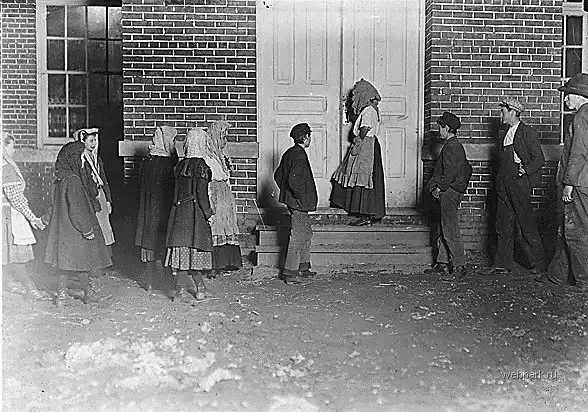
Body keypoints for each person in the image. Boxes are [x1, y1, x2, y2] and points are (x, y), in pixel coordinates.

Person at [44, 141, 112, 306]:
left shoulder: (60, 178)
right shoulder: (74, 181)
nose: (83, 159)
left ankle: (61, 296)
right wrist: (86, 229)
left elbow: (53, 204)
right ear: (74, 158)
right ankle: (88, 293)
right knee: (83, 261)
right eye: (81, 156)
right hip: (75, 230)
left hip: (64, 230)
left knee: (64, 263)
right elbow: (77, 209)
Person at [538, 73, 588, 293]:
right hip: (582, 181)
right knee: (566, 228)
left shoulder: (582, 115)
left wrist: (568, 183)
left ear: (580, 96)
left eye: (568, 94)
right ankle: (557, 275)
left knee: (576, 231)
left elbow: (578, 152)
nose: (566, 98)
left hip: (578, 183)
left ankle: (584, 281)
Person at [488, 98, 546, 275]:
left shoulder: (527, 132)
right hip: (504, 185)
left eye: (503, 111)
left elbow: (539, 159)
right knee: (503, 224)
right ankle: (502, 264)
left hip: (519, 185)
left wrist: (525, 169)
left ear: (513, 112)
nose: (501, 115)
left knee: (526, 224)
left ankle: (540, 265)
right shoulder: (505, 133)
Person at [165, 127, 214, 301]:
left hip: (180, 215)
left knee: (182, 255)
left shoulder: (180, 165)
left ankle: (179, 291)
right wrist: (208, 214)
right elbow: (202, 195)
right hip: (195, 216)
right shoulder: (201, 166)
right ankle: (200, 288)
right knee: (194, 254)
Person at [1, 133, 51, 301]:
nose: (13, 151)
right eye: (12, 147)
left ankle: (8, 283)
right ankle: (30, 289)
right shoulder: (6, 168)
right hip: (7, 216)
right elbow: (17, 201)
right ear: (4, 147)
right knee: (16, 254)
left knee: (6, 252)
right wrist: (33, 218)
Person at [424, 112, 472, 281]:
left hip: (449, 192)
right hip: (451, 191)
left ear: (447, 128)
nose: (439, 131)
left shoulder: (452, 147)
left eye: (440, 127)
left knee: (450, 229)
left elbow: (450, 173)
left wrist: (440, 188)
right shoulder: (454, 145)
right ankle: (442, 263)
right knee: (444, 227)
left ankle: (460, 265)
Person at [331, 78, 385, 226]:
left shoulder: (368, 110)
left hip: (366, 144)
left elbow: (365, 127)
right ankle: (367, 213)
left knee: (362, 175)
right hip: (370, 144)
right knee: (366, 177)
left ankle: (367, 214)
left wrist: (359, 140)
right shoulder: (373, 109)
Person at [274, 123, 318, 284]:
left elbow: (278, 175)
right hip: (299, 203)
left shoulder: (290, 152)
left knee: (306, 233)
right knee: (298, 236)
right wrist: (299, 197)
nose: (310, 139)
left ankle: (303, 267)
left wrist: (287, 194)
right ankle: (290, 273)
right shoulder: (299, 154)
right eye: (309, 136)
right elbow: (293, 180)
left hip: (296, 202)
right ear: (305, 137)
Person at [135, 126, 177, 291]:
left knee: (149, 242)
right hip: (164, 209)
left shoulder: (147, 161)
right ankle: (167, 280)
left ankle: (149, 282)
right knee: (163, 242)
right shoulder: (169, 163)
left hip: (148, 209)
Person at [205, 120, 242, 277]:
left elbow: (226, 177)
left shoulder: (222, 155)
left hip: (225, 195)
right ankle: (214, 265)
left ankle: (226, 262)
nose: (224, 140)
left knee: (227, 225)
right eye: (222, 137)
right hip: (215, 194)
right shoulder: (207, 156)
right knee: (216, 227)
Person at [74, 128, 115, 260]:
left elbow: (104, 179)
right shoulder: (81, 160)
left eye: (95, 141)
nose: (94, 144)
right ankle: (97, 259)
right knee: (95, 226)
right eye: (91, 141)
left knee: (105, 226)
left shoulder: (97, 158)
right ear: (83, 142)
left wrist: (108, 200)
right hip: (90, 196)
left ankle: (107, 258)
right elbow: (84, 183)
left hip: (100, 193)